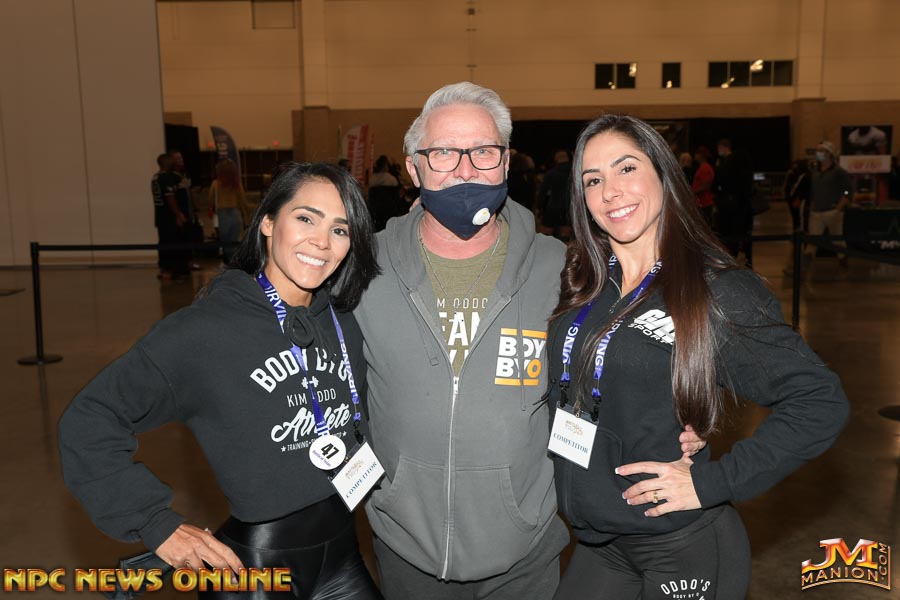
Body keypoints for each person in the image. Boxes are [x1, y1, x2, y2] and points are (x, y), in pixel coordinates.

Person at [353, 83, 703, 600]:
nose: (465, 169)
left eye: (483, 151)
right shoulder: (361, 266)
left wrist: (684, 422)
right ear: (413, 167)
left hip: (526, 552)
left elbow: (626, 354)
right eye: (444, 152)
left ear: (505, 161)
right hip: (406, 548)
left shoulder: (565, 269)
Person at [545, 115, 849, 599]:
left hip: (682, 544)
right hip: (601, 539)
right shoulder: (583, 280)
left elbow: (819, 401)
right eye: (593, 180)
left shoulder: (716, 289)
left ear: (663, 174)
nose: (610, 191)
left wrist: (712, 482)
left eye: (627, 168)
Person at [59, 162, 383, 600]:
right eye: (306, 218)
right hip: (254, 572)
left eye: (340, 229)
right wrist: (155, 523)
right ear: (268, 222)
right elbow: (90, 418)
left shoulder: (343, 321)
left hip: (343, 557)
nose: (322, 242)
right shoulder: (203, 332)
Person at [806, 141, 853, 269]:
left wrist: (838, 208)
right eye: (817, 151)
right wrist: (812, 206)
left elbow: (847, 191)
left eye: (821, 151)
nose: (818, 153)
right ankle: (805, 265)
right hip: (816, 212)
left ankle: (843, 260)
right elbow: (813, 191)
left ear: (829, 154)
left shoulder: (839, 172)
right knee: (812, 240)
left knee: (837, 240)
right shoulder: (815, 172)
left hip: (833, 211)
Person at [713, 138, 754, 266]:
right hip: (741, 205)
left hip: (730, 206)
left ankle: (731, 258)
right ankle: (746, 259)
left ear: (724, 147)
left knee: (731, 234)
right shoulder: (742, 163)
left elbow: (720, 180)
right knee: (743, 234)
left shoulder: (728, 163)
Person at [207, 158, 248, 264]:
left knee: (224, 240)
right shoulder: (236, 184)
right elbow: (242, 201)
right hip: (235, 213)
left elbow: (210, 199)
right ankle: (234, 261)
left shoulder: (215, 184)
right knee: (235, 240)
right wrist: (246, 215)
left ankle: (227, 261)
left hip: (222, 214)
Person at [151, 153, 184, 280]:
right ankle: (170, 270)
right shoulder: (166, 178)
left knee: (163, 242)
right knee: (171, 243)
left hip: (160, 216)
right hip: (168, 217)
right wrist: (178, 214)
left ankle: (164, 269)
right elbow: (170, 198)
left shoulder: (155, 177)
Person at [539, 149, 574, 240]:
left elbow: (543, 192)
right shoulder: (574, 173)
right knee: (565, 238)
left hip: (552, 208)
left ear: (556, 159)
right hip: (569, 208)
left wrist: (540, 206)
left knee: (546, 236)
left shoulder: (551, 173)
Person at [367, 154, 402, 231]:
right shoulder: (391, 179)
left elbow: (370, 196)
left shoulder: (372, 179)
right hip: (389, 210)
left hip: (375, 211)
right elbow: (396, 196)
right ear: (386, 166)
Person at [691, 146, 715, 226]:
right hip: (701, 202)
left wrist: (692, 192)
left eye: (697, 153)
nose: (695, 155)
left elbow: (706, 185)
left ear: (701, 155)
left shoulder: (705, 168)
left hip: (704, 203)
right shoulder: (703, 167)